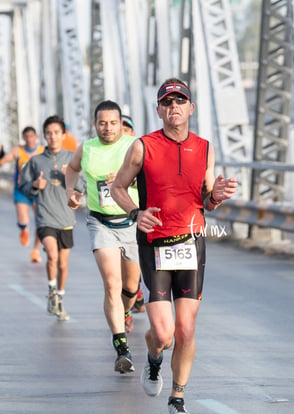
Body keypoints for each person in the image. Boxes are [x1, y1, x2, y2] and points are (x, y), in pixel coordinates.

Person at [110, 78, 238, 414]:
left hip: (192, 244)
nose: (174, 108)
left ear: (191, 108)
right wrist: (136, 212)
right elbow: (118, 188)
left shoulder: (205, 148)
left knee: (186, 328)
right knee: (164, 334)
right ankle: (154, 358)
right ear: (159, 109)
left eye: (180, 101)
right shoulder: (142, 146)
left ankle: (177, 397)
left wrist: (217, 196)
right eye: (167, 103)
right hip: (155, 245)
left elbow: (207, 200)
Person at [65, 100, 141, 374]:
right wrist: (70, 192)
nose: (107, 128)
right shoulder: (86, 148)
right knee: (112, 283)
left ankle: (127, 309)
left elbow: (150, 176)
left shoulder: (134, 146)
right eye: (101, 123)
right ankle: (121, 347)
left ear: (121, 124)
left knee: (130, 288)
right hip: (100, 222)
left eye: (112, 123)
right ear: (94, 124)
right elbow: (71, 169)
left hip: (131, 223)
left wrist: (127, 180)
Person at [19, 116, 78, 321]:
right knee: (51, 255)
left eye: (56, 133)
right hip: (45, 217)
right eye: (49, 133)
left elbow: (83, 187)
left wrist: (68, 180)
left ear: (63, 135)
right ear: (44, 136)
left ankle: (60, 296)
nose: (52, 137)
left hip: (66, 218)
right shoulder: (35, 161)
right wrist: (35, 185)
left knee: (63, 263)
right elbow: (23, 186)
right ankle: (52, 291)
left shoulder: (72, 159)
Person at [0, 126, 44, 262]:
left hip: (38, 191)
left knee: (41, 222)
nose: (30, 139)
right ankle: (24, 229)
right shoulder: (18, 151)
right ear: (24, 138)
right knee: (23, 220)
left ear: (36, 137)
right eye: (27, 137)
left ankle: (36, 250)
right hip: (22, 190)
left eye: (32, 136)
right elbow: (2, 162)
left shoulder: (42, 151)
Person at [121, 114, 146, 314]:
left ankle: (134, 293)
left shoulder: (141, 153)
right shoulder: (109, 154)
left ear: (133, 133)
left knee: (135, 260)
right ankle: (130, 300)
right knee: (122, 267)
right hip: (115, 217)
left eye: (126, 128)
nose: (122, 131)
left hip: (138, 215)